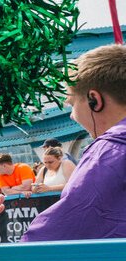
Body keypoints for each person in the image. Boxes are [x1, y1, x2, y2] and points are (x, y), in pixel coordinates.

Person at [24, 44, 126, 242]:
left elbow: (63, 226)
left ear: (94, 100)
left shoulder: (108, 151)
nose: (71, 115)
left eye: (71, 103)